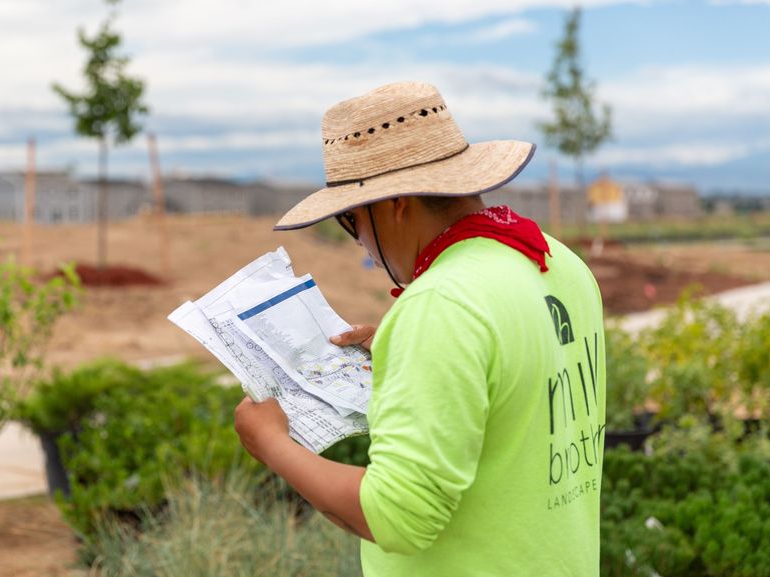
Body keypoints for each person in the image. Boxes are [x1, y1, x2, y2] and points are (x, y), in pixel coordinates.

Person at [234, 81, 606, 576]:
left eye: (350, 219)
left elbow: (398, 517)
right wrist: (405, 352)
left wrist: (272, 444)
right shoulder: (555, 259)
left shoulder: (440, 304)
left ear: (395, 205)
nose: (359, 241)